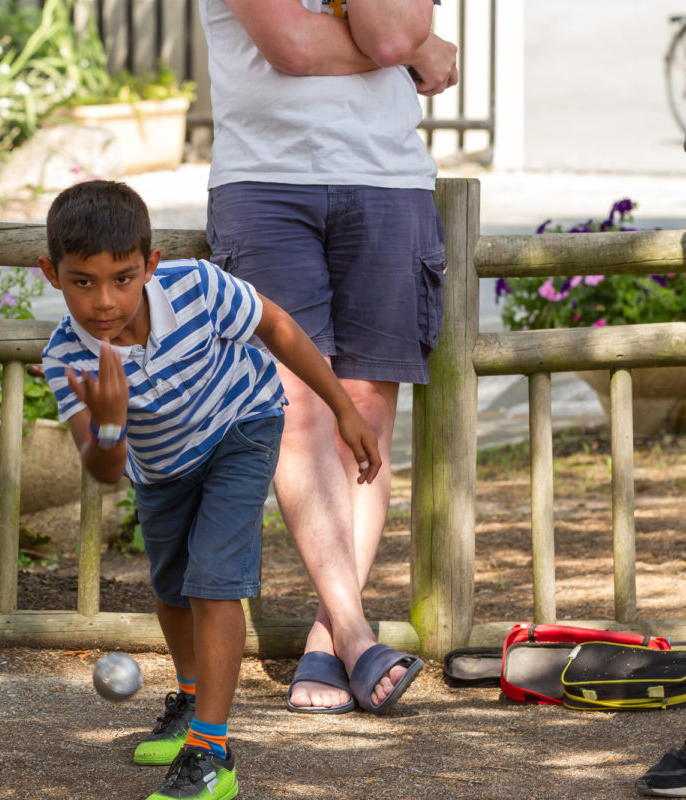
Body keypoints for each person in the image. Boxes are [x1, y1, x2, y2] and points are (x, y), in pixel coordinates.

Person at [38, 179, 382, 800]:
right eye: (82, 282)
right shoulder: (68, 356)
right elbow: (105, 470)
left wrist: (341, 409)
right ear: (50, 274)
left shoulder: (197, 286)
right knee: (172, 587)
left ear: (150, 265)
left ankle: (210, 751)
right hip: (160, 467)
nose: (105, 300)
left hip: (240, 427)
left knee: (214, 578)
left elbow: (277, 328)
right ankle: (192, 698)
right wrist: (111, 423)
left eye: (121, 277)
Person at [199, 0, 459, 714]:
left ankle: (327, 638)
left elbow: (387, 30)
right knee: (297, 411)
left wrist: (405, 42)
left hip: (388, 179)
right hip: (265, 179)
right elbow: (292, 45)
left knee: (368, 412)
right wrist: (413, 49)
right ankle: (354, 627)